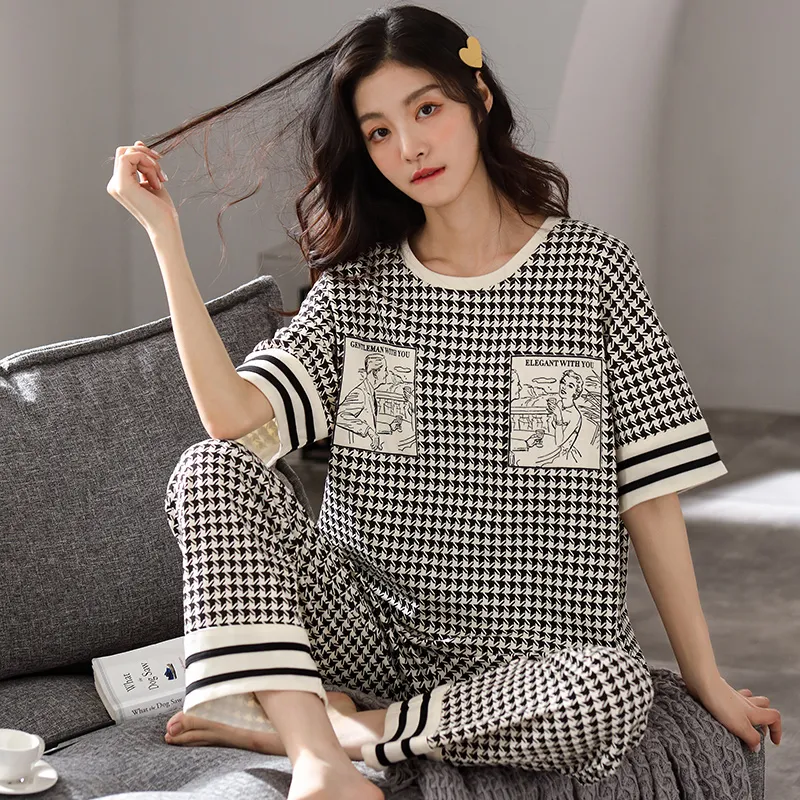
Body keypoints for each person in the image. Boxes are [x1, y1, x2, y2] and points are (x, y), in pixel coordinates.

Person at [107, 5, 781, 800]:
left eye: (427, 109)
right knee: (211, 468)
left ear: (479, 100)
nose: (410, 146)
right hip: (368, 634)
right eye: (379, 131)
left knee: (614, 690)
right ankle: (318, 758)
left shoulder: (591, 272)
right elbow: (233, 421)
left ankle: (349, 729)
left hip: (537, 660)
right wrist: (164, 238)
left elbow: (651, 496)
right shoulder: (357, 290)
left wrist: (704, 678)